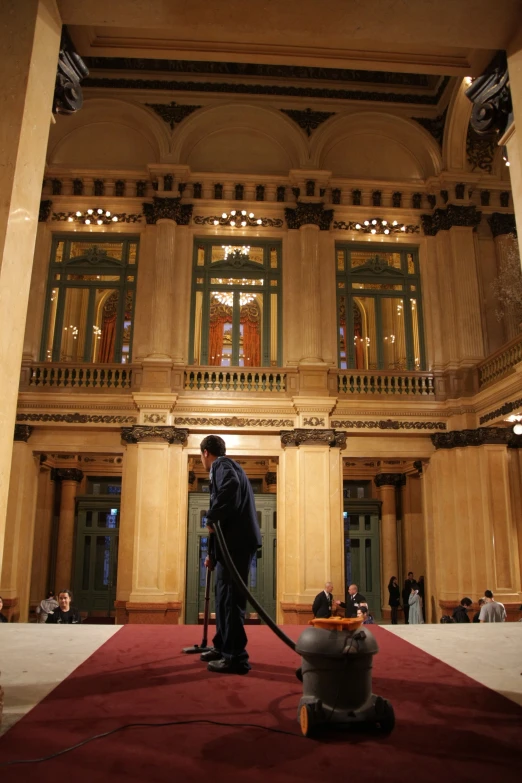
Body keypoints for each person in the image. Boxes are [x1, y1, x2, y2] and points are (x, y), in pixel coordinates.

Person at [199, 435, 261, 674]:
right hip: (231, 546)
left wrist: (211, 514)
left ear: (205, 453)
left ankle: (236, 657)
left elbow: (231, 488)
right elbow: (223, 523)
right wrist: (212, 554)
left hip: (237, 545)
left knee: (230, 600)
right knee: (222, 598)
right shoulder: (225, 466)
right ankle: (222, 647)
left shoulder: (222, 466)